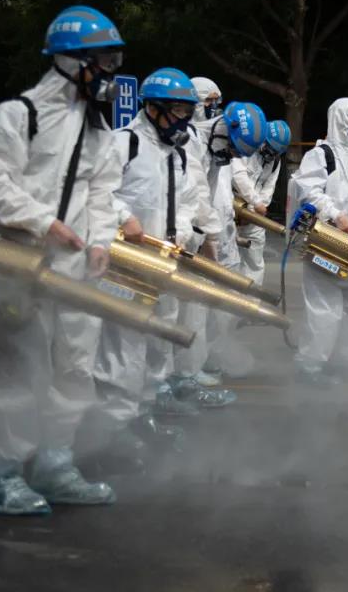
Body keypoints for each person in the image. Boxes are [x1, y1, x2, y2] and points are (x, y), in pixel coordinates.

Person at [0, 5, 125, 515]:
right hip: (22, 261)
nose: (110, 70)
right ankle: (3, 474)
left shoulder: (98, 129)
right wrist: (44, 223)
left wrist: (100, 241)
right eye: (102, 59)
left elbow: (103, 193)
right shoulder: (17, 115)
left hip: (76, 269)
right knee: (17, 366)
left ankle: (56, 464)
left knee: (75, 367)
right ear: (68, 60)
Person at [94, 68, 203, 458]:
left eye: (187, 111)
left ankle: (144, 412)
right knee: (123, 346)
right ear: (153, 108)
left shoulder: (176, 153)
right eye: (177, 110)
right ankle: (113, 426)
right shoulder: (125, 144)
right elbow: (97, 189)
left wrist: (184, 233)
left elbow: (188, 199)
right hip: (126, 262)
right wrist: (125, 216)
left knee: (157, 344)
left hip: (163, 261)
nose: (183, 119)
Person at [169, 95, 265, 404]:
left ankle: (185, 375)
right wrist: (209, 236)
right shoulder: (192, 143)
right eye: (234, 148)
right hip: (178, 239)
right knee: (174, 313)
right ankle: (174, 380)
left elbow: (209, 199)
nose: (232, 155)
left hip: (195, 237)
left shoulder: (216, 147)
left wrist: (211, 237)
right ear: (224, 129)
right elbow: (196, 193)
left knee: (193, 312)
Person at [290, 98, 348, 386]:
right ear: (341, 120)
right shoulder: (321, 155)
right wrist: (334, 213)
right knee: (324, 308)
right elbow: (308, 190)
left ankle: (341, 359)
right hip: (325, 240)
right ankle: (311, 365)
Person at [232, 119, 291, 288]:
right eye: (270, 149)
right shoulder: (246, 147)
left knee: (254, 261)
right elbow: (238, 175)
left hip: (254, 215)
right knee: (228, 257)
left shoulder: (275, 161)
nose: (271, 155)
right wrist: (255, 202)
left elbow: (269, 187)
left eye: (276, 152)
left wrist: (253, 212)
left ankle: (250, 300)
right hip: (232, 206)